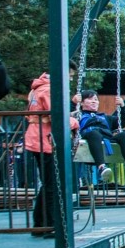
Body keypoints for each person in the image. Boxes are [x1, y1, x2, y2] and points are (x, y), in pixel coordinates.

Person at [25, 71, 81, 237]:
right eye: (70, 76)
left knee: (48, 183)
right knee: (52, 185)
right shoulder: (50, 89)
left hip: (37, 138)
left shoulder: (37, 88)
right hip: (45, 141)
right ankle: (51, 224)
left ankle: (40, 223)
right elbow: (56, 116)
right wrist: (74, 121)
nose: (71, 79)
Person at [76, 90, 125, 184]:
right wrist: (73, 103)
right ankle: (101, 167)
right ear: (82, 102)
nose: (94, 101)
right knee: (94, 133)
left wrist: (123, 106)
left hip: (106, 138)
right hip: (90, 139)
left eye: (96, 99)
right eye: (90, 99)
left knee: (124, 135)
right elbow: (67, 120)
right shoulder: (78, 115)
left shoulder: (105, 117)